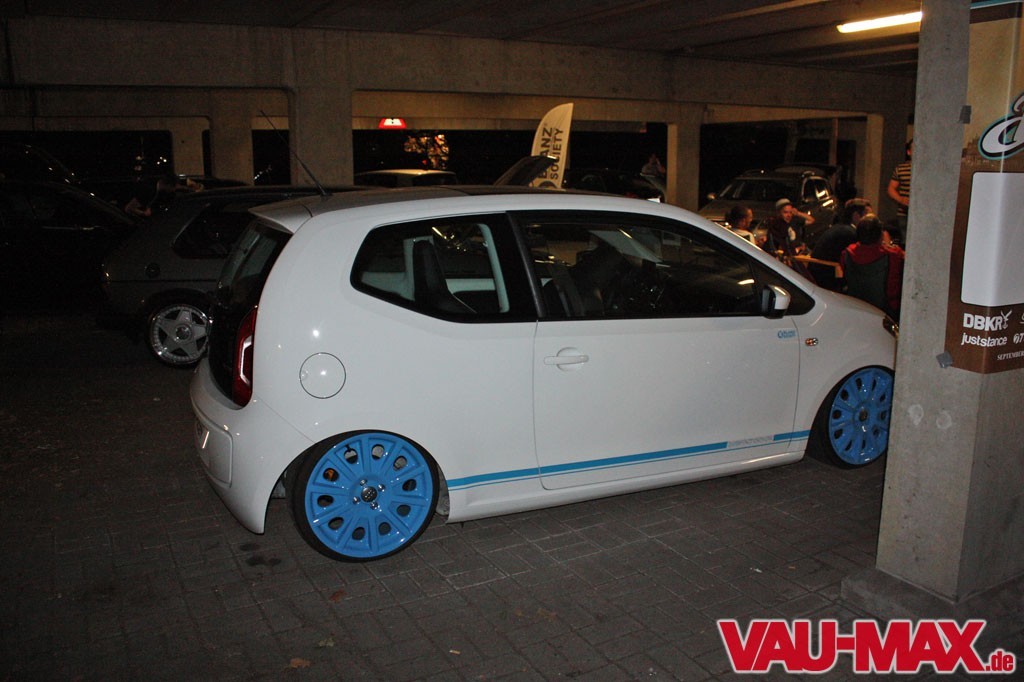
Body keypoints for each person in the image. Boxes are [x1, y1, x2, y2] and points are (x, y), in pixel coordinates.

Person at [840, 214, 905, 320]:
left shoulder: (847, 254)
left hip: (856, 309)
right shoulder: (893, 255)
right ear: (880, 235)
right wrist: (887, 244)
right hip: (886, 313)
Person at [807, 198, 871, 291]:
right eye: (867, 216)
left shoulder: (841, 228)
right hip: (827, 280)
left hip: (820, 275)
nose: (870, 220)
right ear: (856, 216)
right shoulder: (849, 233)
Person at [886, 139, 912, 242]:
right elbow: (891, 188)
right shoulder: (901, 169)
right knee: (905, 239)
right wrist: (901, 199)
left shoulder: (926, 171)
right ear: (909, 152)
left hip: (921, 212)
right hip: (904, 212)